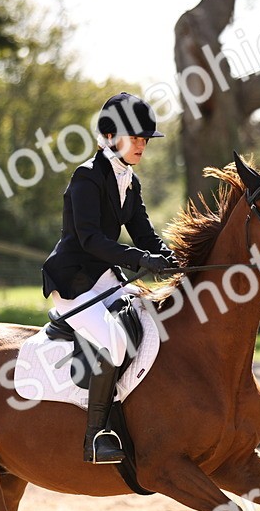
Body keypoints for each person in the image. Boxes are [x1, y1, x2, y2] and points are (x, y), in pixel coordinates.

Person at [41, 92, 176, 465]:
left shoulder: (129, 181)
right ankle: (96, 436)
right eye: (135, 137)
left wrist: (172, 258)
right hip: (73, 281)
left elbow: (145, 233)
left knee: (154, 320)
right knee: (115, 344)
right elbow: (90, 239)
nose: (142, 145)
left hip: (105, 279)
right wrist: (140, 259)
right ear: (108, 136)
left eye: (145, 139)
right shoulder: (86, 177)